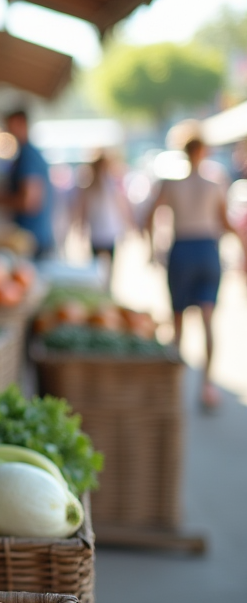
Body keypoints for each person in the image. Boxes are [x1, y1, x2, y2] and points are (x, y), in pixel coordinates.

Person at [144, 135, 238, 411]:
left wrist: (152, 248)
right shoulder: (214, 185)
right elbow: (226, 222)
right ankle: (207, 386)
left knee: (178, 323)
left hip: (182, 250)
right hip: (207, 250)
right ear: (204, 152)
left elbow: (149, 216)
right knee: (208, 320)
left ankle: (175, 386)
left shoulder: (171, 185)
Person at [0, 107, 54, 259]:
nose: (6, 130)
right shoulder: (27, 153)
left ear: (20, 123)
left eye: (9, 125)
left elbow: (30, 202)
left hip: (31, 239)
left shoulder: (28, 155)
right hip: (32, 236)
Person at [75, 153, 134, 287]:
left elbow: (122, 206)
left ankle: (105, 287)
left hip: (108, 231)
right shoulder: (92, 187)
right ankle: (102, 287)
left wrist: (127, 224)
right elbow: (83, 208)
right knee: (98, 265)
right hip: (99, 231)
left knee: (104, 265)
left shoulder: (110, 185)